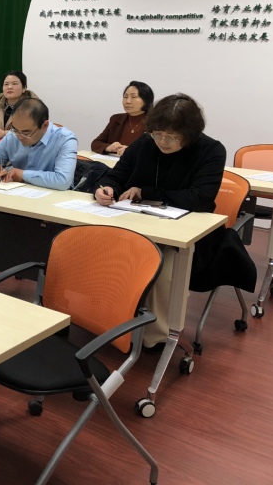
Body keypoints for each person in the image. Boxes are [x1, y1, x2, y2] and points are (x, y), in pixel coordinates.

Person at [94, 93, 255, 350]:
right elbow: (117, 175)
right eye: (158, 134)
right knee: (97, 247)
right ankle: (104, 319)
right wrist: (106, 189)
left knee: (161, 263)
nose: (162, 142)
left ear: (190, 134)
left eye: (172, 137)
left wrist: (146, 192)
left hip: (192, 236)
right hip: (138, 224)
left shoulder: (211, 150)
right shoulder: (145, 143)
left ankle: (155, 337)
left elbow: (200, 199)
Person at [0, 98, 77, 190]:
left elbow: (63, 181)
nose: (19, 136)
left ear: (45, 125)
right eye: (15, 130)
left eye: (26, 132)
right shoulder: (12, 136)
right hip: (18, 193)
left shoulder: (65, 139)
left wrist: (22, 174)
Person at [91, 81, 154, 155]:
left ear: (146, 100)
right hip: (115, 161)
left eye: (133, 97)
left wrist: (131, 151)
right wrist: (108, 147)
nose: (128, 101)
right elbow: (95, 143)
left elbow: (156, 151)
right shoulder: (116, 119)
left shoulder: (155, 122)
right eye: (125, 97)